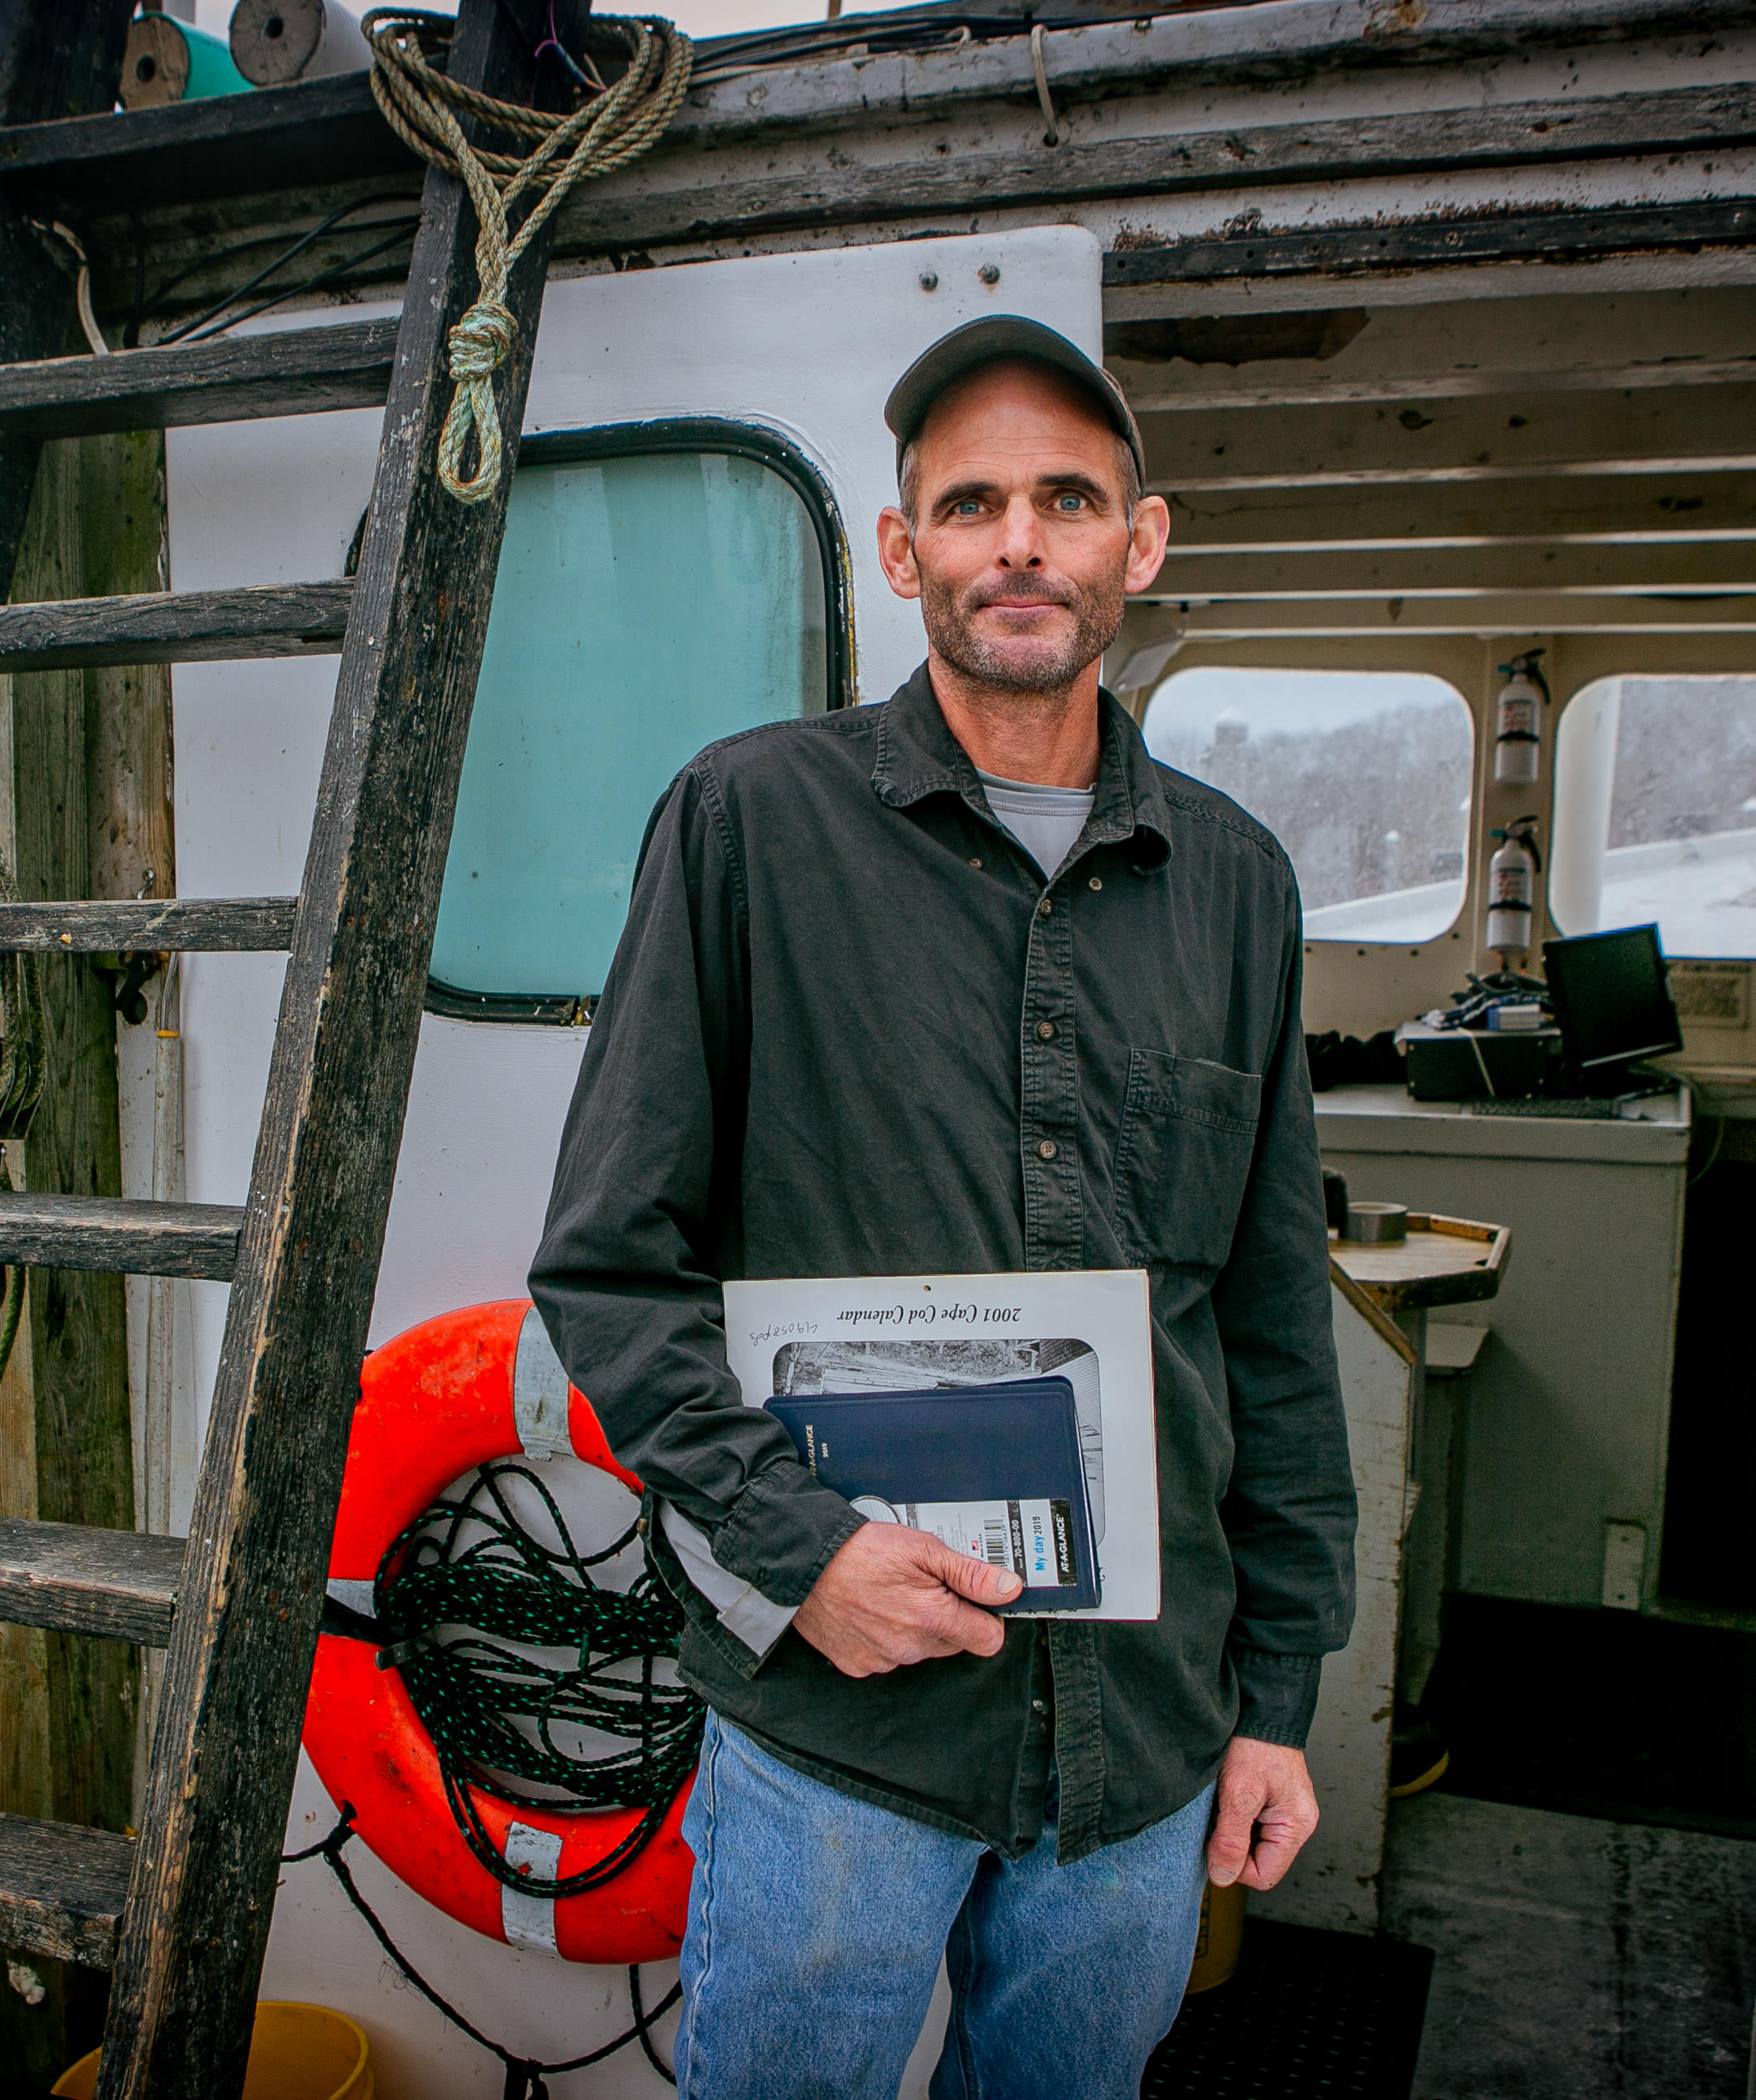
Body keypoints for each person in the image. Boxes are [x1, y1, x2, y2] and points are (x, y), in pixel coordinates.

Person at [528, 314, 1355, 2098]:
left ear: (1141, 542)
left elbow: (1275, 1316)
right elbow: (609, 1264)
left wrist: (1278, 1692)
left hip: (1144, 1736)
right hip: (844, 1737)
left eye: (1068, 497)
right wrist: (803, 1549)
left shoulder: (1237, 882)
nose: (1019, 541)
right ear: (904, 552)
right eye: (969, 501)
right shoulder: (749, 825)